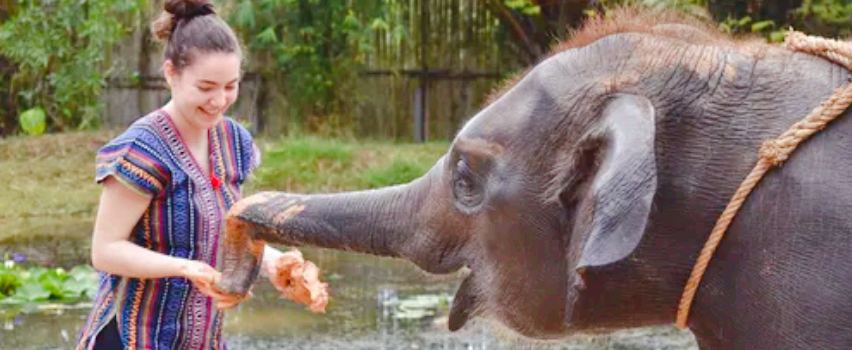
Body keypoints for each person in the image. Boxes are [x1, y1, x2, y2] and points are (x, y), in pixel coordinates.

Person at [74, 1, 314, 348]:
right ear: (170, 73)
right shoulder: (142, 150)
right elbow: (105, 251)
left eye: (230, 86)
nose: (219, 100)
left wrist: (276, 264)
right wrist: (185, 268)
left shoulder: (233, 141)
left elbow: (229, 229)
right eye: (205, 87)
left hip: (200, 338)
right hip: (134, 337)